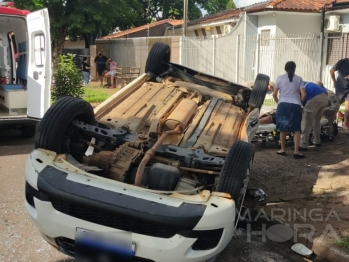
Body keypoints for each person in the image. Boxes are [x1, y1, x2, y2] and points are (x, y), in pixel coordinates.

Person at [273, 61, 306, 159]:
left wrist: (279, 102)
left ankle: (282, 149)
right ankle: (296, 151)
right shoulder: (299, 79)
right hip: (295, 105)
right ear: (294, 68)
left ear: (285, 68)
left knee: (283, 128)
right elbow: (303, 95)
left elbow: (274, 94)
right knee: (296, 129)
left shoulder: (279, 78)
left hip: (282, 104)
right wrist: (299, 102)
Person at [299, 81, 328, 150]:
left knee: (307, 121)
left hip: (314, 97)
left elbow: (303, 97)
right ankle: (317, 141)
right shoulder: (305, 83)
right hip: (325, 96)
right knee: (316, 120)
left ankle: (303, 144)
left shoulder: (296, 85)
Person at [330, 58, 349, 131]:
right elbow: (331, 70)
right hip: (340, 88)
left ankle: (345, 124)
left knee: (348, 106)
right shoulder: (342, 62)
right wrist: (334, 81)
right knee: (335, 104)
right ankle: (331, 121)